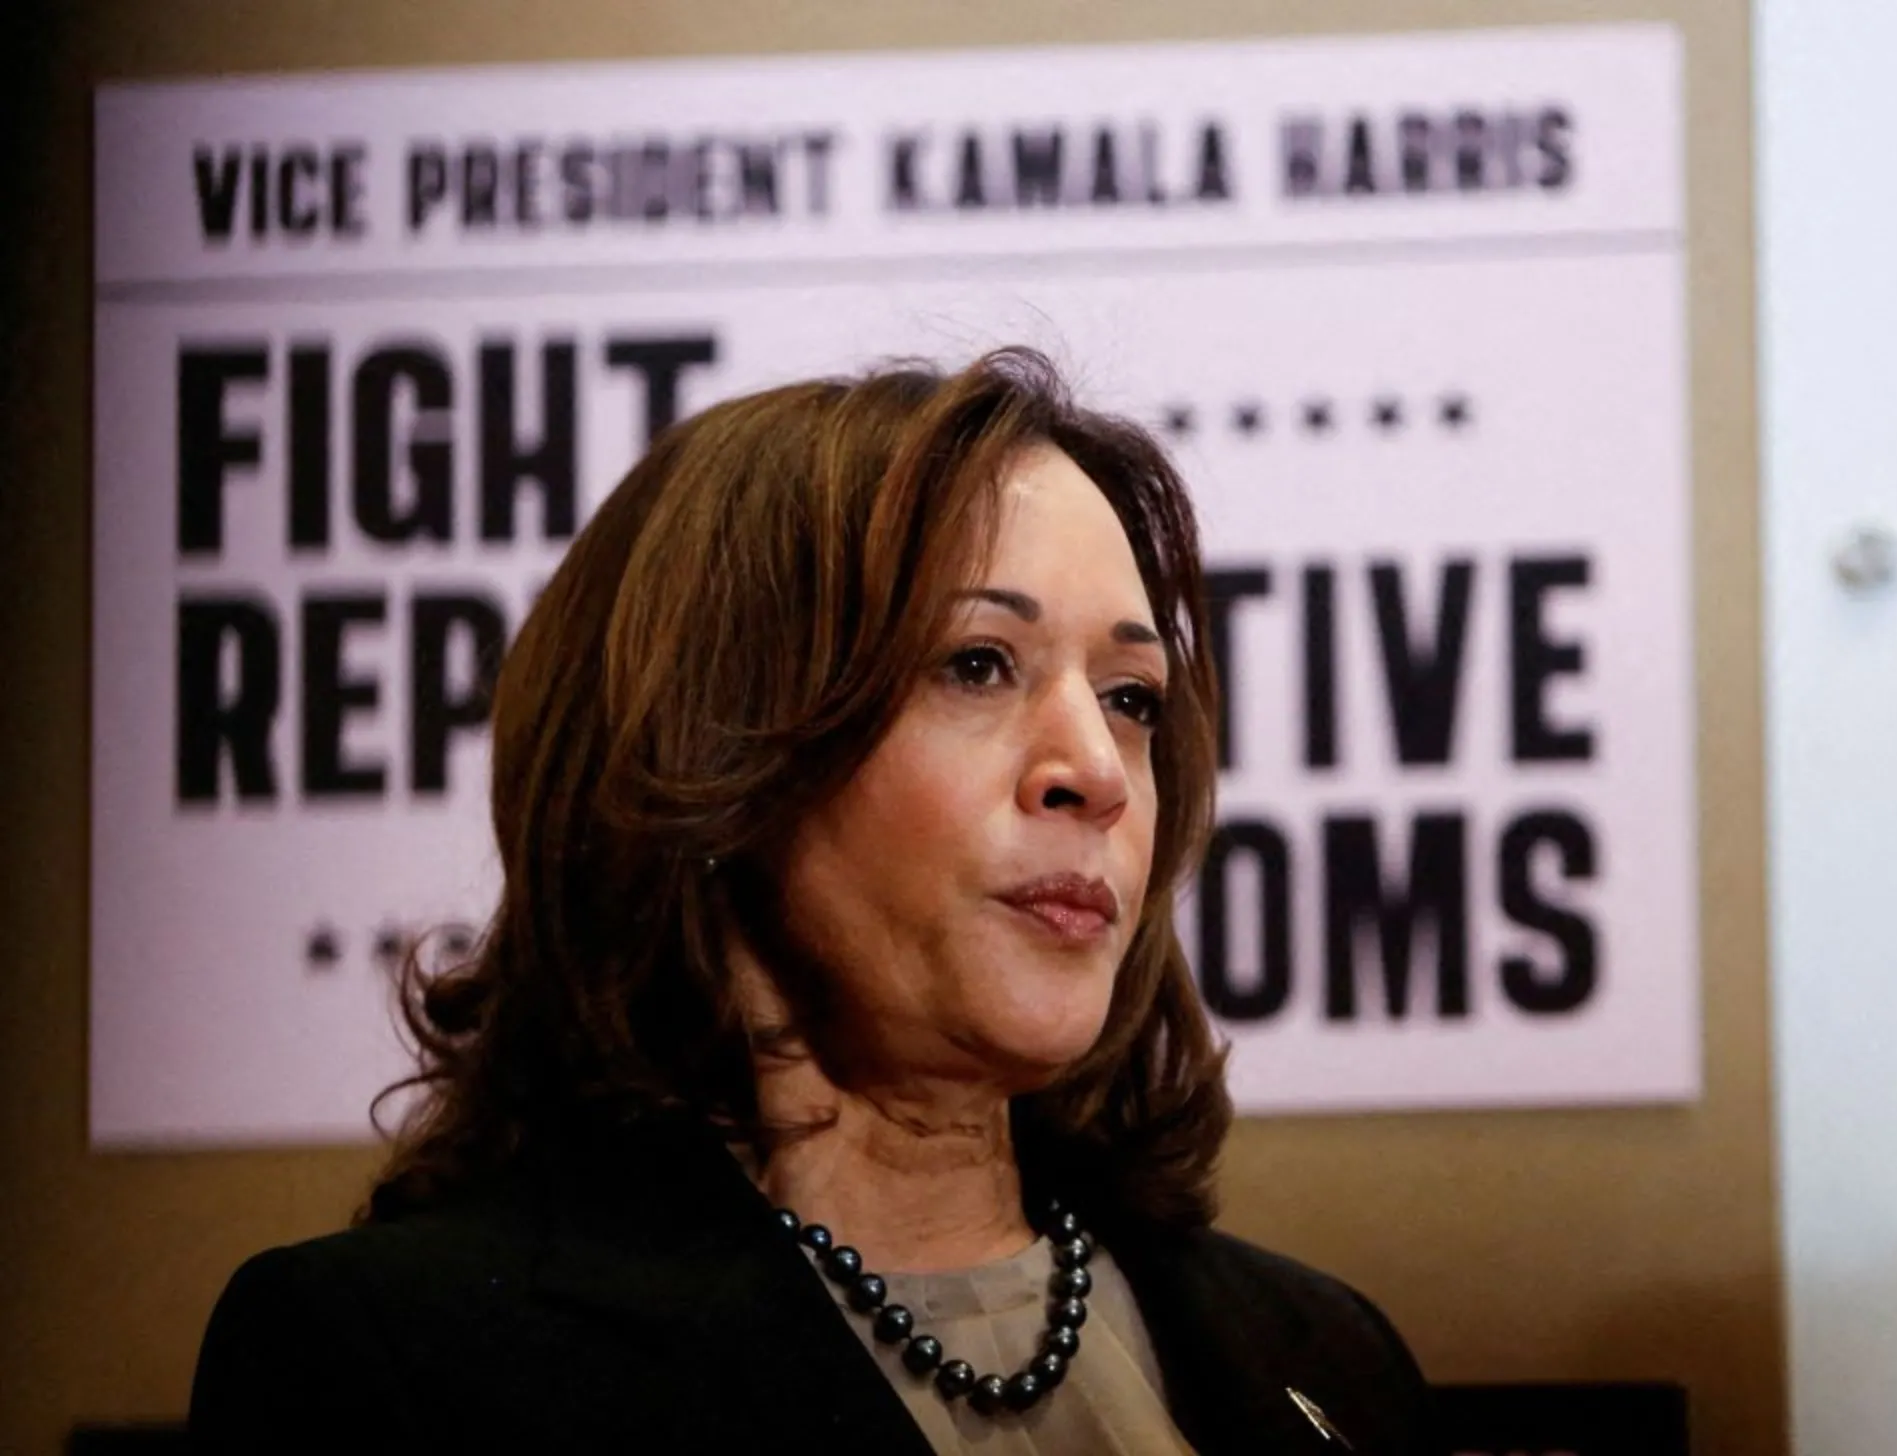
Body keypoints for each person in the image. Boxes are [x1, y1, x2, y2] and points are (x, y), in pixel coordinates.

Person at [187, 348, 1432, 1454]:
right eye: (977, 664)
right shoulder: (392, 1366)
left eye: (1132, 696)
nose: (1098, 774)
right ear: (713, 753)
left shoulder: (1328, 1358)